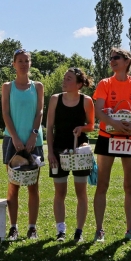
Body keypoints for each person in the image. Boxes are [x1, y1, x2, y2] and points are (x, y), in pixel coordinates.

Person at [92, 48, 131, 242]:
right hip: (107, 136)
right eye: (110, 59)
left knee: (129, 186)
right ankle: (99, 230)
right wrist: (114, 123)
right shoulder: (105, 83)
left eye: (116, 58)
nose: (112, 61)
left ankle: (130, 230)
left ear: (127, 61)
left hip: (130, 138)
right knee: (102, 184)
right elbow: (98, 110)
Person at [46, 67, 95, 242]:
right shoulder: (55, 99)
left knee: (81, 192)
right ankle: (61, 231)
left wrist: (82, 128)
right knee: (60, 192)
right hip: (58, 150)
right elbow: (49, 128)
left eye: (68, 79)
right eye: (65, 78)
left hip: (80, 152)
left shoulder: (86, 101)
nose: (64, 81)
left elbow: (92, 125)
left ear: (79, 84)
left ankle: (79, 232)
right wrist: (50, 152)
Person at [2, 50, 44, 241]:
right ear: (14, 64)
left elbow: (40, 112)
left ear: (31, 63)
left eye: (26, 60)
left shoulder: (38, 87)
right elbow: (5, 113)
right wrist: (16, 138)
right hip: (12, 140)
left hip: (34, 141)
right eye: (20, 61)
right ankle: (13, 227)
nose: (23, 64)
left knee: (33, 186)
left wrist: (33, 136)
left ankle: (32, 228)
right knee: (14, 185)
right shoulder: (7, 87)